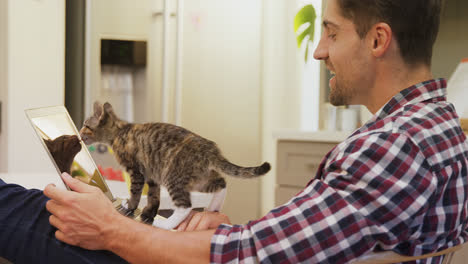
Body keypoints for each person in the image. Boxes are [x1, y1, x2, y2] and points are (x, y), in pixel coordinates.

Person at [1, 0, 467, 263]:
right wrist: (231, 232)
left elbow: (248, 257)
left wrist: (111, 230)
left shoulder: (392, 147)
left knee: (21, 206)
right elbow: (285, 242)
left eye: (331, 32)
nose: (319, 51)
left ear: (378, 40)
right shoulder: (440, 125)